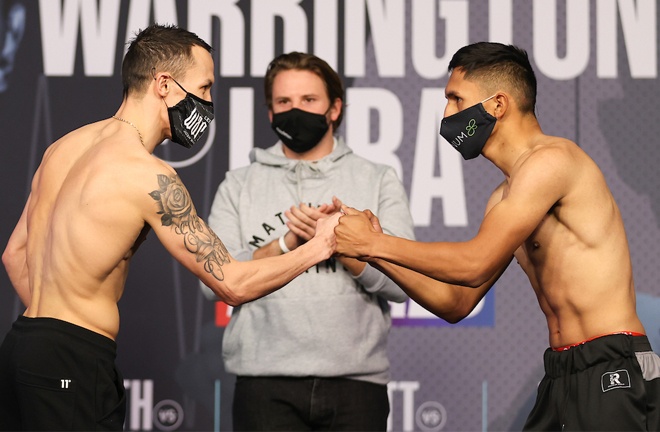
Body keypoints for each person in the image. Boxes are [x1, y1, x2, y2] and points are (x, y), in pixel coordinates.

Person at [0, 25, 337, 431]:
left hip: (21, 347)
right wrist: (319, 246)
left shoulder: (65, 146)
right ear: (164, 84)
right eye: (205, 87)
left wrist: (50, 337)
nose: (209, 103)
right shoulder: (148, 176)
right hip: (74, 360)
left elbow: (14, 255)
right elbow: (232, 283)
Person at [334, 42, 660, 431]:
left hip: (612, 364)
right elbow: (456, 302)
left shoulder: (553, 161)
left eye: (456, 99)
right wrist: (374, 251)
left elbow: (474, 263)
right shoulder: (504, 197)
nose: (447, 114)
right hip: (560, 370)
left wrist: (374, 243)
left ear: (497, 105)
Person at [201, 51, 415, 431]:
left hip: (357, 384)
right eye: (284, 102)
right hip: (263, 382)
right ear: (269, 112)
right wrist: (286, 244)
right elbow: (212, 282)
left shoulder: (378, 179)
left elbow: (403, 284)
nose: (294, 111)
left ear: (334, 108)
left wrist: (345, 244)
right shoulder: (238, 185)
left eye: (308, 100)